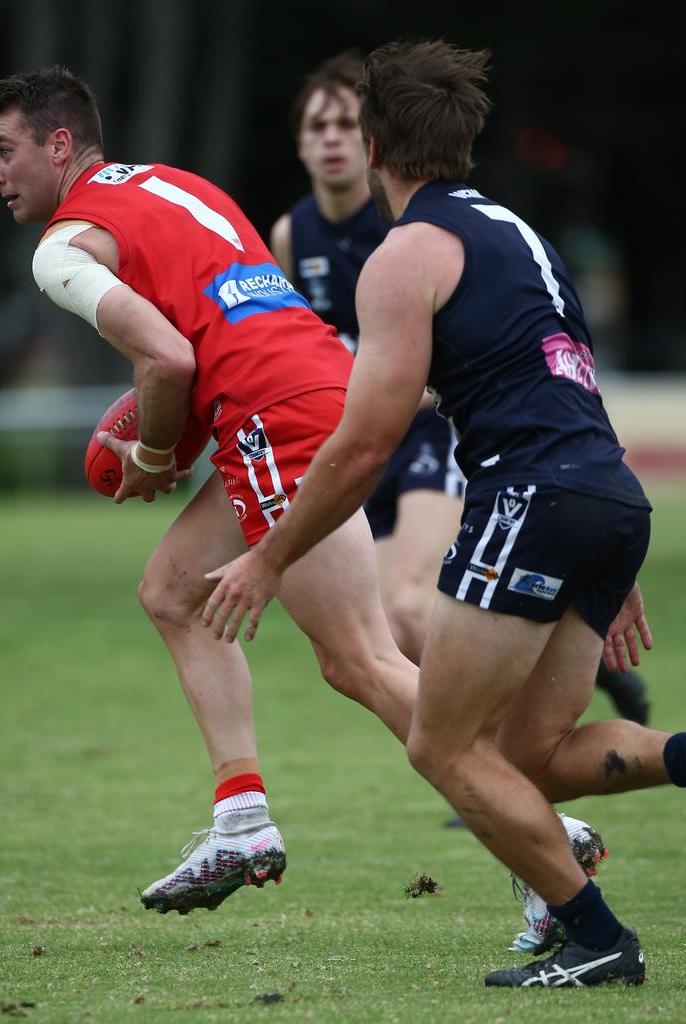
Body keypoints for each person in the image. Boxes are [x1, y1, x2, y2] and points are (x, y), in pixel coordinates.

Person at [202, 39, 686, 987]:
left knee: (440, 742)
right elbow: (571, 381)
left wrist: (269, 556)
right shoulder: (519, 232)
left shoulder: (403, 257)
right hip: (604, 491)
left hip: (533, 494)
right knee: (529, 756)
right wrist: (610, 553)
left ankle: (596, 938)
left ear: (377, 145)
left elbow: (364, 442)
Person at [0, 64, 421, 917]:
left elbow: (169, 359)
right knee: (173, 591)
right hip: (314, 388)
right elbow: (217, 322)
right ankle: (241, 817)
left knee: (359, 660)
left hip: (271, 419)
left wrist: (150, 454)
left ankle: (536, 822)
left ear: (59, 143)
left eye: (6, 151)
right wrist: (180, 434)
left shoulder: (61, 248)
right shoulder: (171, 183)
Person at [270, 50, 464, 666]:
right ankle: (531, 691)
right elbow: (289, 352)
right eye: (315, 127)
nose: (330, 140)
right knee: (388, 625)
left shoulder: (409, 225)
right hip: (357, 443)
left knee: (409, 604)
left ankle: (511, 733)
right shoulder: (289, 236)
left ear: (371, 141)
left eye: (344, 126)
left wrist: (402, 390)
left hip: (433, 429)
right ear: (299, 144)